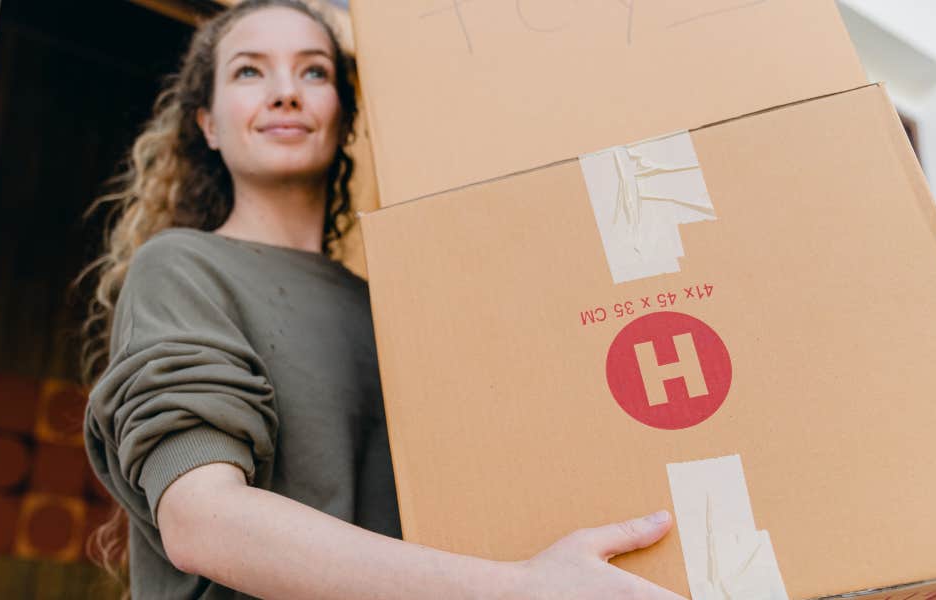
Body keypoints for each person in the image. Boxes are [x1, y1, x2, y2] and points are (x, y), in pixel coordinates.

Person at [81, 1, 683, 598]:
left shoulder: (395, 308)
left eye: (314, 71)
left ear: (346, 120)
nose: (286, 92)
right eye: (249, 71)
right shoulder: (182, 267)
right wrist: (519, 589)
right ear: (207, 123)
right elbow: (202, 522)